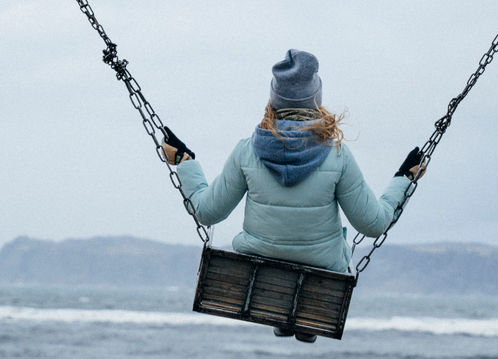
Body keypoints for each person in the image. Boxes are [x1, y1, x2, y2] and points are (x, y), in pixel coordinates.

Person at [162, 49, 424, 342]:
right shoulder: (338, 156)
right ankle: (301, 318)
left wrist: (184, 162)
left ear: (274, 100)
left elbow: (207, 212)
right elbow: (373, 225)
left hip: (259, 268)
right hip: (322, 269)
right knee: (332, 253)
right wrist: (405, 178)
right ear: (316, 99)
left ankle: (280, 312)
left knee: (271, 265)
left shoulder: (246, 151)